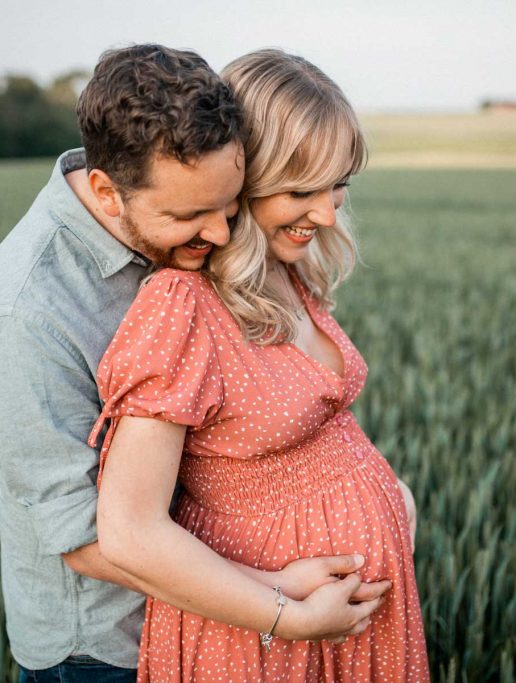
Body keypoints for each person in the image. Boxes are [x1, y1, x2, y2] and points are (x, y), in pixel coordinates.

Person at [0, 44, 389, 682]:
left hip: (233, 623)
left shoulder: (189, 224)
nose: (217, 235)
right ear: (107, 192)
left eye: (231, 206)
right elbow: (90, 538)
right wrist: (278, 596)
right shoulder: (21, 316)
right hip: (108, 650)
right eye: (190, 216)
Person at [89, 49, 431, 681]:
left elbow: (311, 436)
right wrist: (289, 616)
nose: (327, 214)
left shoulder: (284, 272)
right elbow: (130, 532)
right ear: (240, 179)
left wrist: (392, 499)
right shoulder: (180, 308)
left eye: (337, 186)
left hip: (348, 622)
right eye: (300, 190)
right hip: (262, 640)